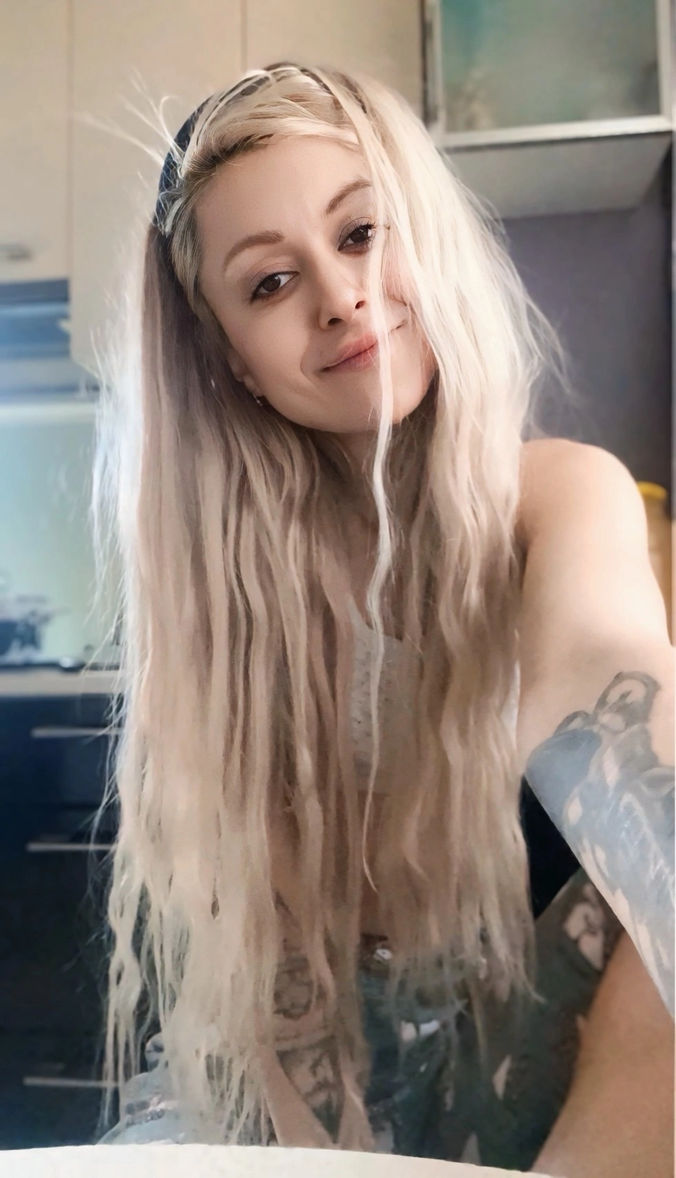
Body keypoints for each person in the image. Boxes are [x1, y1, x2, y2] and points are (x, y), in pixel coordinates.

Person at [92, 64, 674, 1172]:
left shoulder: (558, 495)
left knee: (644, 947)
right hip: (306, 1049)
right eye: (270, 282)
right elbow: (281, 987)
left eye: (362, 232)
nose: (341, 296)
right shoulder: (232, 599)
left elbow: (601, 681)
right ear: (232, 364)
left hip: (525, 1023)